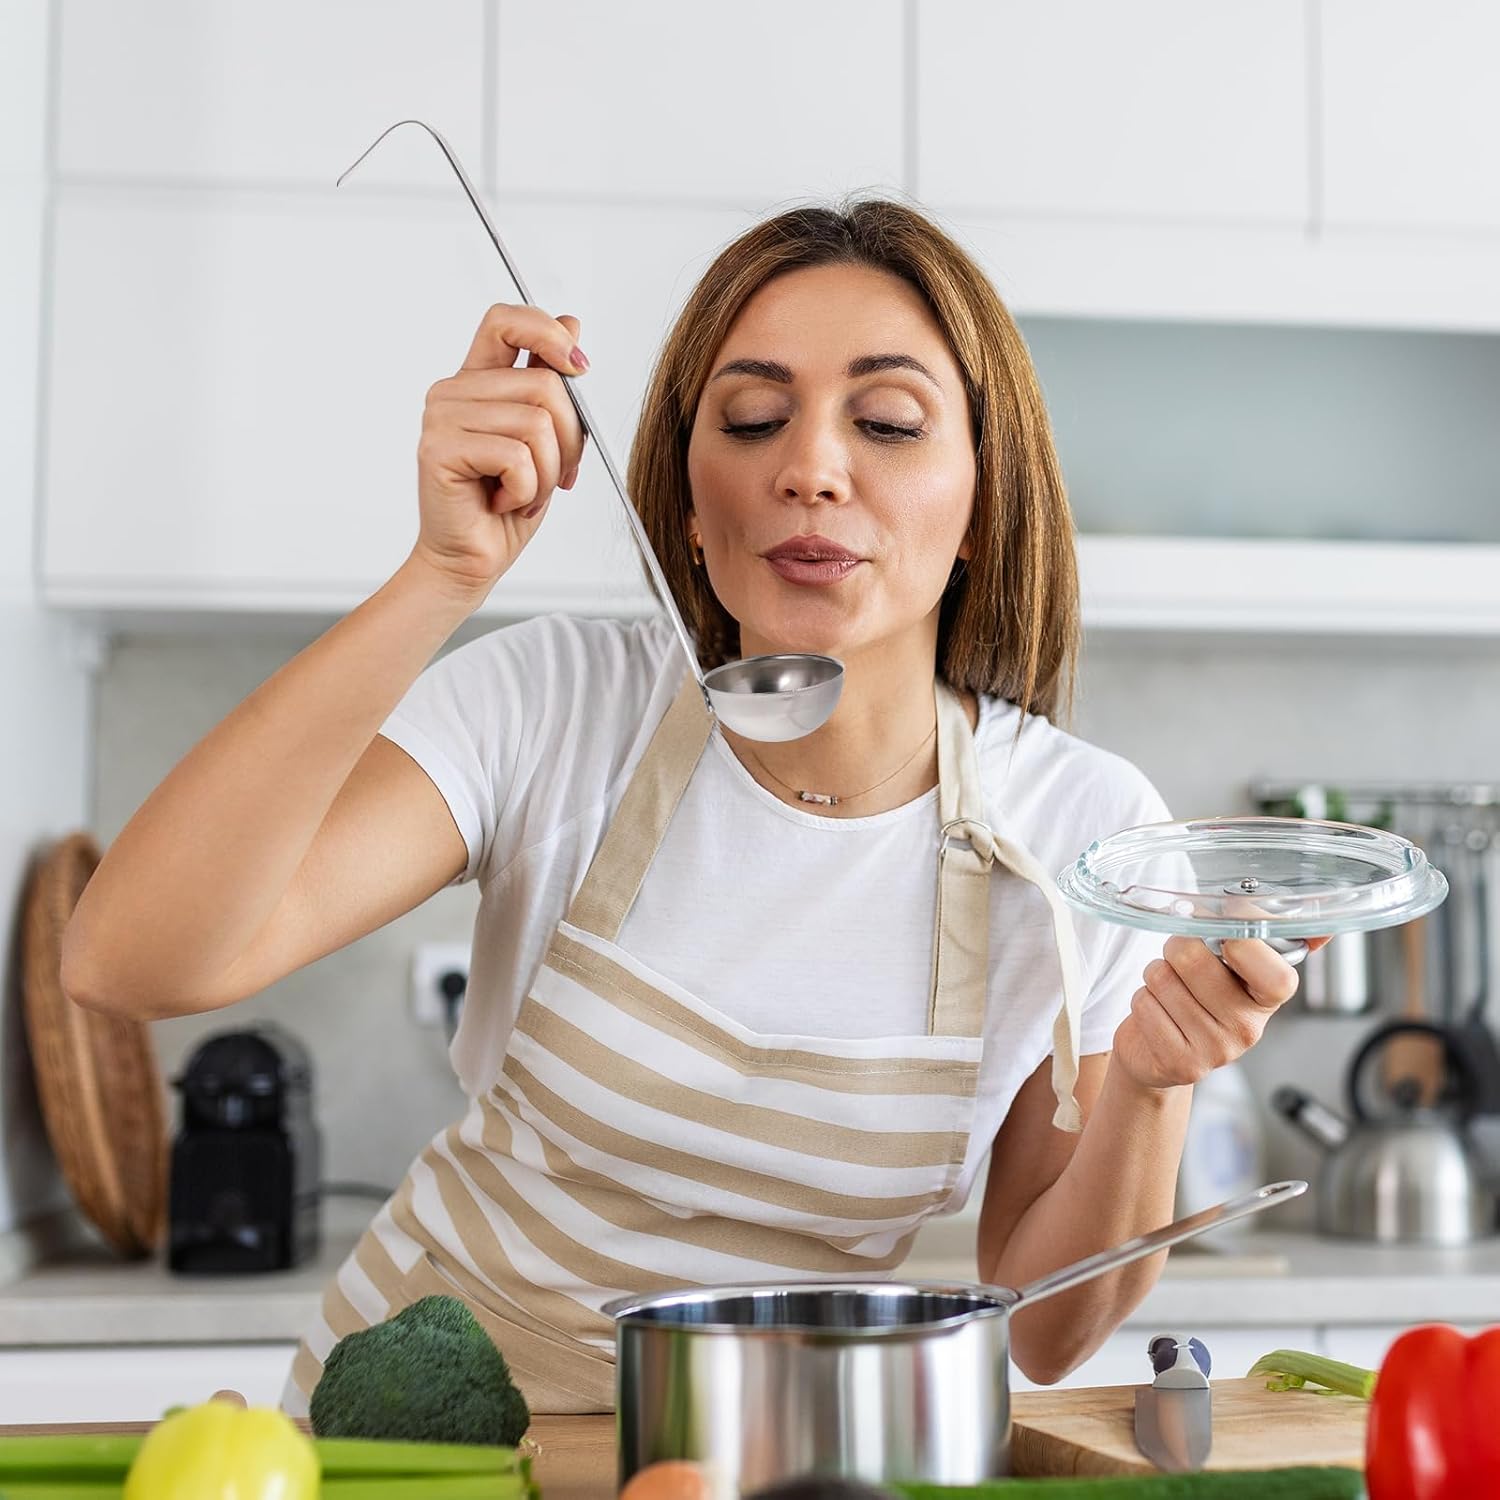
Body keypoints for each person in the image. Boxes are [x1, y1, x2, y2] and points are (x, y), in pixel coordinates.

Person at [61, 200, 1317, 1413]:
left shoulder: (1081, 829)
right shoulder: (556, 705)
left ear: (985, 500)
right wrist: (440, 575)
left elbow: (1046, 1327)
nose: (811, 468)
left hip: (749, 1457)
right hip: (410, 1446)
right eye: (755, 418)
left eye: (886, 423)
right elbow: (130, 961)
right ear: (687, 504)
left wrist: (1154, 1084)